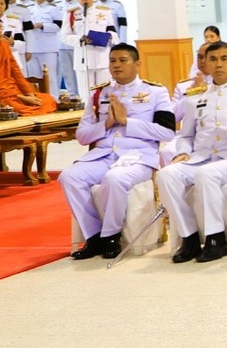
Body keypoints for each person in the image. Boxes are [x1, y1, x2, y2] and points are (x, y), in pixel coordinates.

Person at [59, 43, 174, 259]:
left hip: (138, 157)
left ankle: (111, 236)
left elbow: (167, 132)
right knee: (69, 177)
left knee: (115, 179)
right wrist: (108, 124)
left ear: (137, 64)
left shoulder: (155, 92)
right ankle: (93, 236)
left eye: (123, 60)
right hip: (103, 156)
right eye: (112, 61)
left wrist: (126, 121)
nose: (116, 65)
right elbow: (82, 136)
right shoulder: (99, 93)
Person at [159, 40, 227, 263]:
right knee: (167, 174)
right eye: (213, 59)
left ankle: (216, 238)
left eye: (224, 59)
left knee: (206, 174)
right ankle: (189, 237)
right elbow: (186, 136)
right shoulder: (195, 97)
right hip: (200, 157)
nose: (218, 64)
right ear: (205, 64)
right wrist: (183, 152)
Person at [0, 15, 58, 114]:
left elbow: (15, 70)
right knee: (14, 108)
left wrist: (29, 94)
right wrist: (22, 98)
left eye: (0, 27)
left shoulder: (3, 44)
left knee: (49, 100)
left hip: (13, 91)